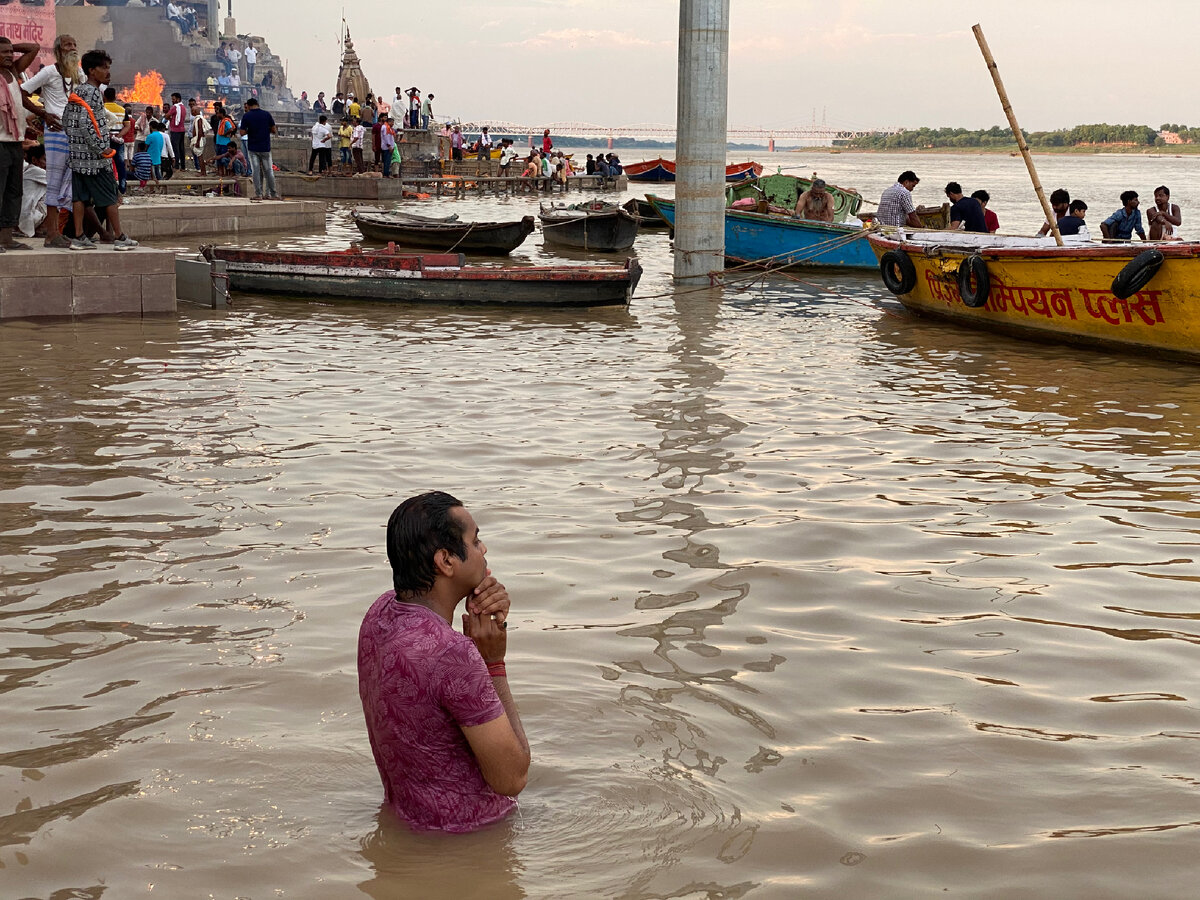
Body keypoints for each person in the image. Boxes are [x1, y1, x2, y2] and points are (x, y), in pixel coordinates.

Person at [358, 492, 529, 833]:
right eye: (476, 540)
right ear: (446, 561)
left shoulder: (380, 614)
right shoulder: (453, 653)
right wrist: (493, 662)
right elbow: (513, 778)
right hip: (469, 839)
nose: (484, 550)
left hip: (408, 823)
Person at [62, 49, 137, 250]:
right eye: (104, 68)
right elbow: (87, 124)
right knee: (110, 196)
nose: (108, 72)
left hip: (77, 156)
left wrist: (76, 145)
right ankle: (120, 238)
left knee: (80, 197)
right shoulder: (94, 93)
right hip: (95, 158)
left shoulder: (77, 91)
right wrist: (101, 149)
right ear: (92, 71)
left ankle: (79, 237)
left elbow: (66, 121)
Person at [19, 33, 80, 248]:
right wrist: (43, 114)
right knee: (54, 182)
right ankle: (51, 235)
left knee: (68, 183)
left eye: (74, 44)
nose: (72, 48)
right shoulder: (49, 72)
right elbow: (21, 91)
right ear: (58, 50)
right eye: (67, 45)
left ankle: (61, 232)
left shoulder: (78, 73)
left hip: (74, 135)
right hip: (55, 134)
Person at [239, 97, 280, 200]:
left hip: (253, 148)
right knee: (269, 171)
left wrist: (251, 130)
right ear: (257, 104)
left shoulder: (247, 116)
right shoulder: (267, 114)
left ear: (248, 106)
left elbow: (242, 132)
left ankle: (259, 194)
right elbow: (274, 130)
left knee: (256, 171)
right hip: (265, 147)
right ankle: (274, 194)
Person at [19, 143, 46, 238]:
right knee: (55, 194)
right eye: (45, 160)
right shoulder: (36, 171)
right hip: (28, 218)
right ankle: (43, 228)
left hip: (23, 217)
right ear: (34, 160)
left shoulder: (27, 169)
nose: (47, 164)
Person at [167, 92, 187, 170]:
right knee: (182, 148)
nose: (172, 101)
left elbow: (167, 115)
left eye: (173, 99)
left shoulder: (175, 107)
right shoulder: (183, 107)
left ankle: (176, 166)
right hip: (182, 130)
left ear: (178, 99)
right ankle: (183, 166)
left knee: (175, 148)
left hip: (175, 130)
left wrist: (170, 119)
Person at [189, 99, 207, 175]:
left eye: (193, 111)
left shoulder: (199, 119)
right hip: (197, 138)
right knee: (199, 156)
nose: (191, 112)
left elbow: (200, 130)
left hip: (199, 139)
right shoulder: (197, 118)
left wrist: (198, 141)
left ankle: (203, 172)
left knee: (200, 157)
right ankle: (202, 171)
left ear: (196, 112)